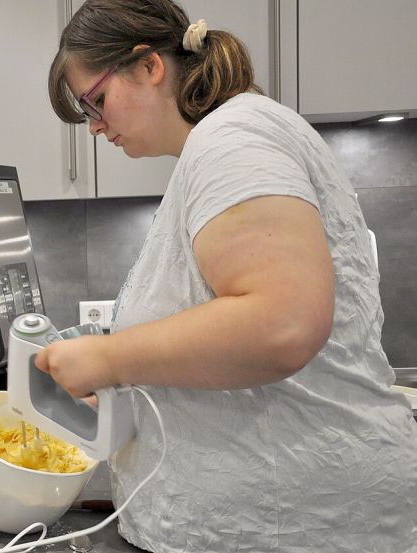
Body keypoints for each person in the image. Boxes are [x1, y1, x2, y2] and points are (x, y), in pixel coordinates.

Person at [35, 1, 417, 551]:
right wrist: (125, 395)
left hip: (297, 524)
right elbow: (217, 349)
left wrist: (106, 358)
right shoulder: (215, 148)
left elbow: (281, 322)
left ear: (148, 66)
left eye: (95, 101)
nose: (95, 126)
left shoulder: (231, 139)